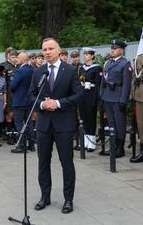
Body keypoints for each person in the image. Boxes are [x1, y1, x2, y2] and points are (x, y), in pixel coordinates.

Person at [29, 38, 83, 214]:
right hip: (44, 124)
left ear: (59, 50)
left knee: (66, 162)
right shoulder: (39, 72)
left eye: (51, 48)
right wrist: (43, 105)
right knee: (43, 162)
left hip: (64, 124)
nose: (47, 52)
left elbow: (78, 94)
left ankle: (68, 199)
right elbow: (31, 96)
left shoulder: (69, 71)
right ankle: (45, 196)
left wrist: (58, 103)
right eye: (44, 49)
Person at [100, 40, 132, 158]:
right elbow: (103, 81)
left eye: (115, 48)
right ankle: (113, 146)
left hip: (118, 98)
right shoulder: (108, 63)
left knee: (119, 123)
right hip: (107, 97)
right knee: (111, 123)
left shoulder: (125, 64)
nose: (112, 50)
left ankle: (120, 148)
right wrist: (101, 95)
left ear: (121, 50)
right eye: (112, 48)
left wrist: (123, 100)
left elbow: (127, 84)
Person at [10, 52, 35, 153]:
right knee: (29, 123)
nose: (17, 59)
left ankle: (21, 145)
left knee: (19, 123)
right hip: (29, 101)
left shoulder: (20, 71)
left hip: (19, 101)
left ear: (23, 59)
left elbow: (13, 86)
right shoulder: (32, 70)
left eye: (18, 57)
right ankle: (32, 144)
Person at [78, 47, 102, 152]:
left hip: (91, 95)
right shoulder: (82, 68)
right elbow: (79, 81)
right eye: (84, 54)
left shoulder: (97, 68)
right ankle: (85, 141)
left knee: (91, 119)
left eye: (87, 54)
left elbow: (98, 85)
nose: (85, 56)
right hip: (83, 95)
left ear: (92, 56)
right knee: (83, 119)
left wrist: (96, 99)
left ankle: (92, 143)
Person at [2, 49, 19, 145]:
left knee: (17, 115)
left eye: (16, 57)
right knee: (9, 115)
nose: (14, 59)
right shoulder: (6, 67)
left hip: (18, 95)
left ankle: (16, 135)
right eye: (13, 57)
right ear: (9, 57)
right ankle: (9, 135)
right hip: (9, 95)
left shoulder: (20, 67)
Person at [130, 54, 143, 162]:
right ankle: (142, 151)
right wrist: (132, 95)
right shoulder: (139, 57)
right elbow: (135, 77)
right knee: (141, 125)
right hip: (140, 96)